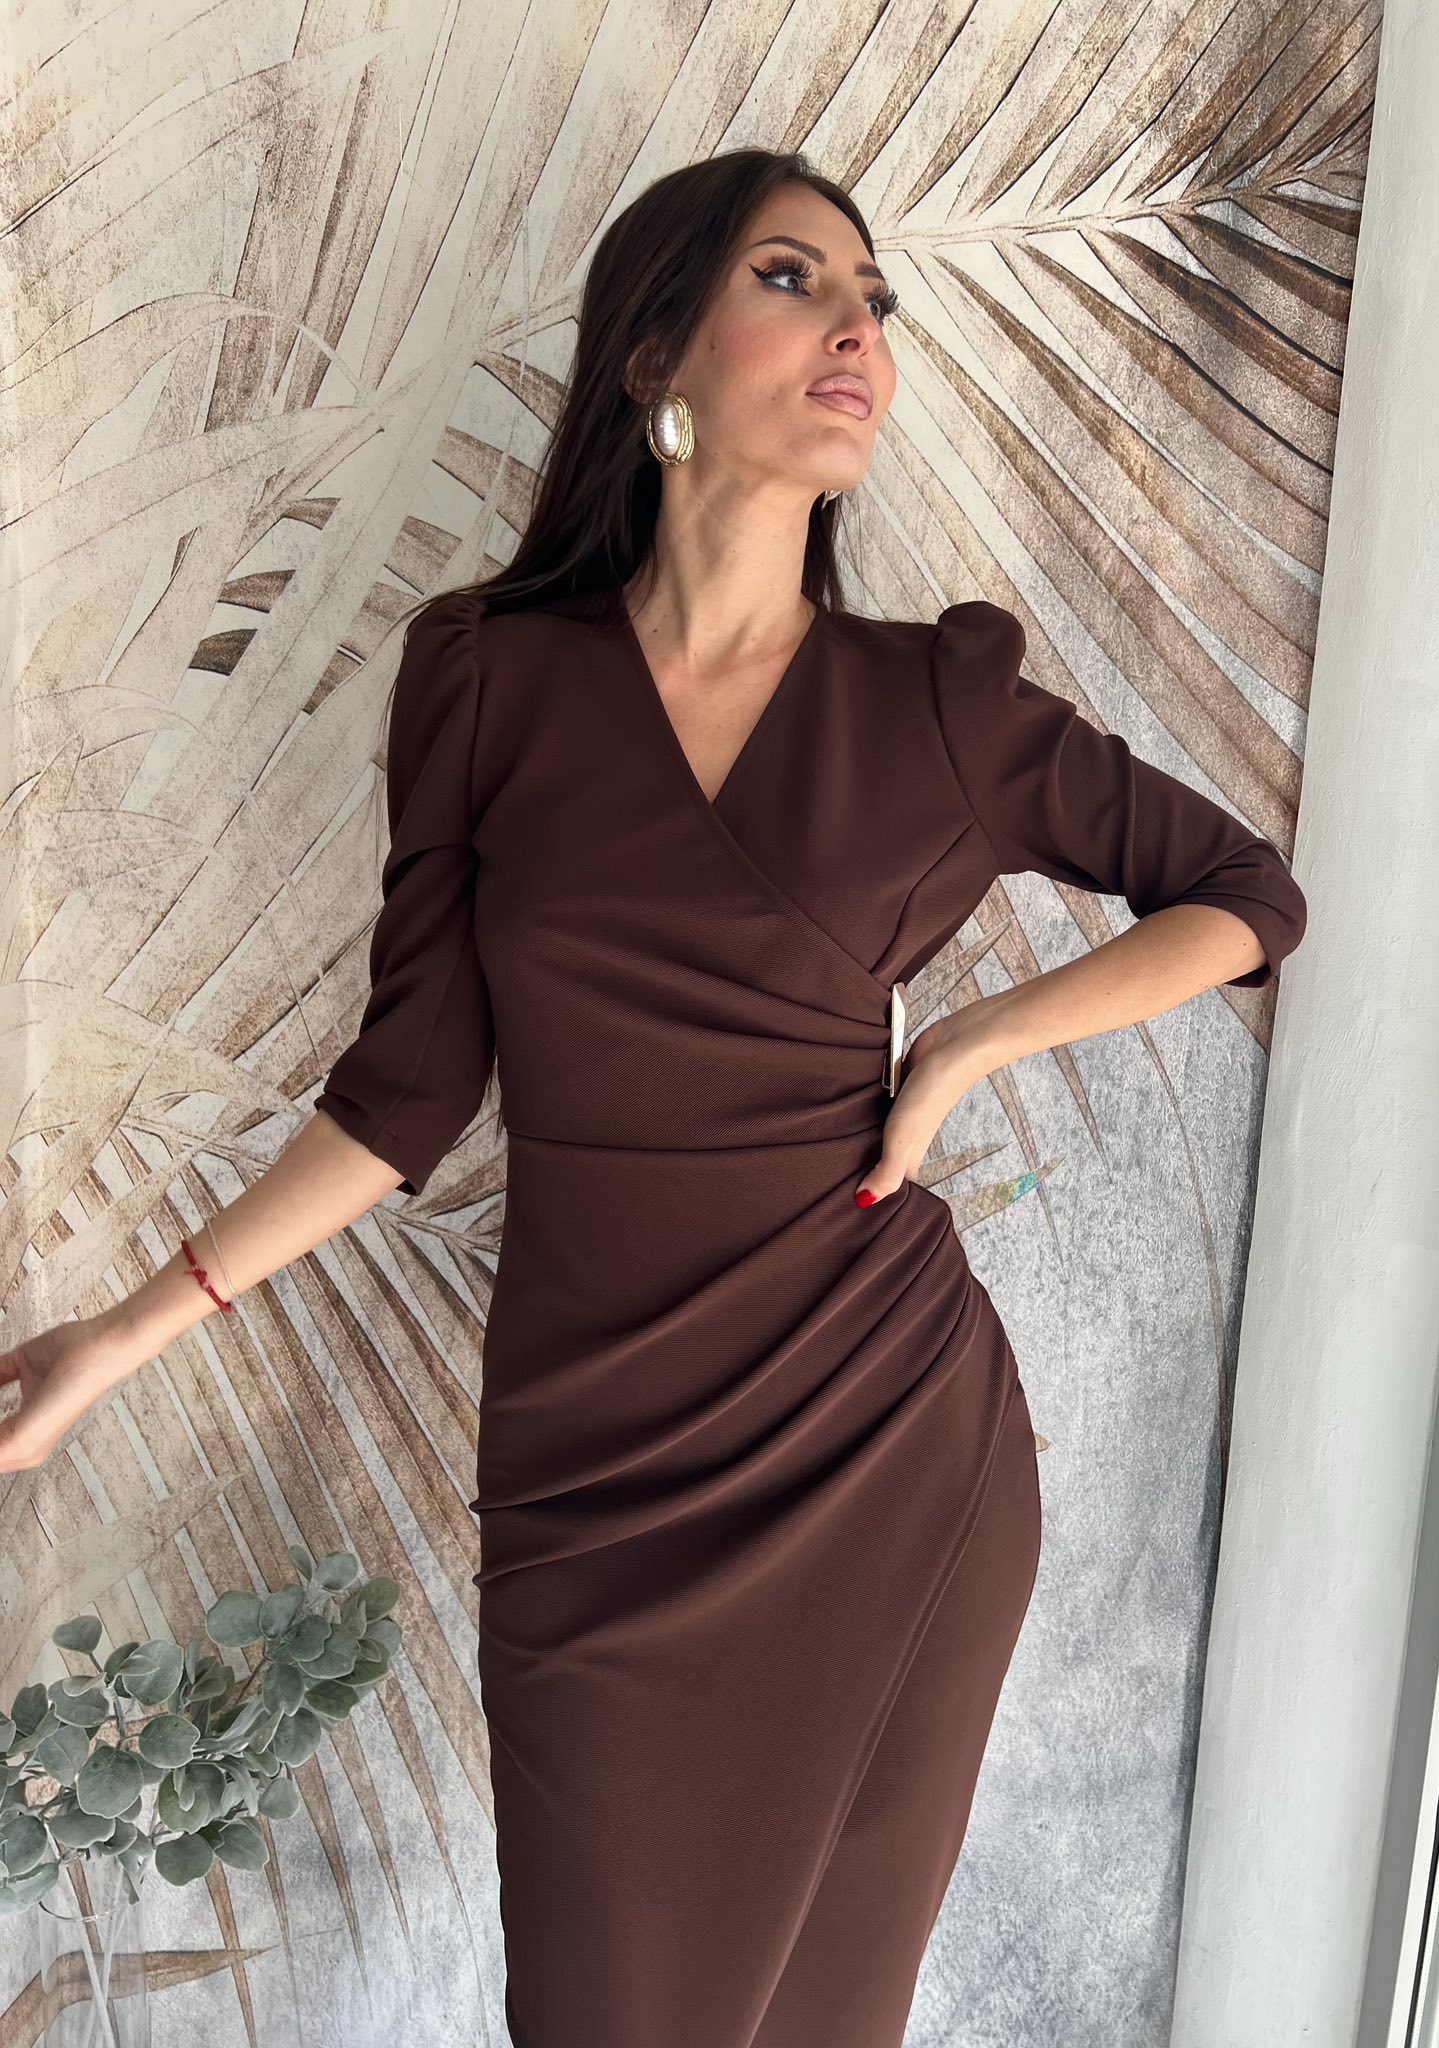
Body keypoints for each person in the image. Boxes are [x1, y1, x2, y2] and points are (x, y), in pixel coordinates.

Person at [0, 147, 1307, 2045]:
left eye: (876, 300)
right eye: (794, 278)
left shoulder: (937, 706)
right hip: (593, 1479)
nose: (857, 329)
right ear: (651, 355)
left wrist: (968, 1044)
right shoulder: (483, 678)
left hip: (881, 1448)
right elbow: (408, 1093)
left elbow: (1248, 898)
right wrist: (120, 1338)